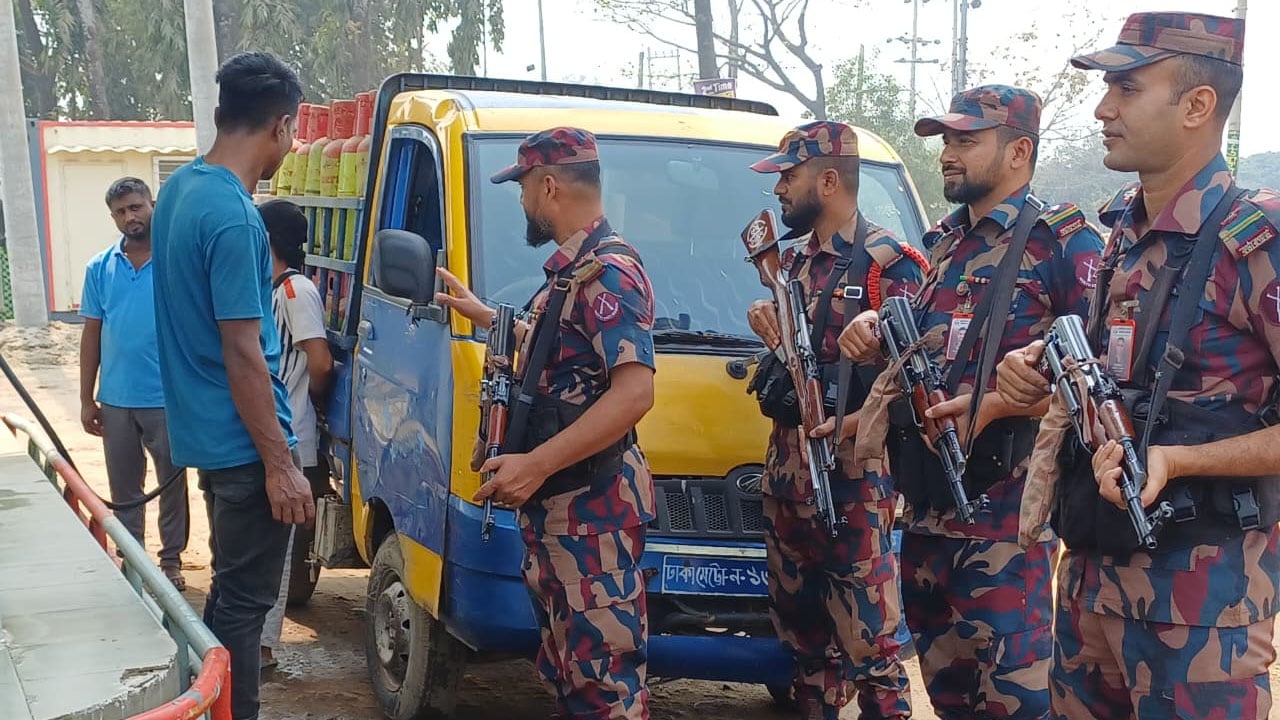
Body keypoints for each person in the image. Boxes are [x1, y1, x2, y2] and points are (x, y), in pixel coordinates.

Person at [995, 13, 1280, 719]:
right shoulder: (1123, 231)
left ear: (1196, 105)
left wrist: (1180, 462)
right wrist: (1040, 370)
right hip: (1091, 588)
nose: (1103, 109)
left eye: (1126, 88)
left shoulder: (1257, 242)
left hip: (1200, 615)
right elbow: (1114, 372)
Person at [840, 86, 1103, 719]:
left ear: (1019, 150)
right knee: (949, 696)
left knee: (1015, 700)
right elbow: (934, 353)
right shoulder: (942, 243)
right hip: (928, 513)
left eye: (965, 141)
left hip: (1006, 523)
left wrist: (1002, 404)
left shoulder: (1061, 243)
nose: (948, 155)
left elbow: (1097, 379)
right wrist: (876, 333)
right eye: (946, 142)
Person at [435, 127, 657, 720]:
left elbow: (634, 392)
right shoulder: (572, 272)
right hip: (563, 511)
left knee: (604, 684)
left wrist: (535, 464)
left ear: (550, 185)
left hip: (591, 512)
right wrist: (484, 314)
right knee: (570, 672)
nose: (523, 202)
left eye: (524, 188)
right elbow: (559, 346)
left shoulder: (610, 272)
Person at [745, 120, 926, 720]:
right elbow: (792, 362)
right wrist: (764, 323)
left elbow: (919, 380)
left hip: (853, 484)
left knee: (872, 650)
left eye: (788, 177)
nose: (779, 191)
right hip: (788, 479)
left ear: (828, 180)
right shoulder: (793, 265)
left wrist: (852, 422)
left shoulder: (890, 266)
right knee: (804, 646)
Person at [150, 51, 312, 720]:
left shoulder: (180, 192)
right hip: (248, 448)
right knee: (242, 612)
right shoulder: (234, 216)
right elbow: (243, 352)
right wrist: (281, 464)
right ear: (279, 125)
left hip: (212, 443)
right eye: (293, 129)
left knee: (226, 603)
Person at [80, 176, 189, 590]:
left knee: (171, 484)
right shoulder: (100, 267)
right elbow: (92, 335)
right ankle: (133, 560)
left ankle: (171, 561)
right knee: (124, 488)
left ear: (152, 205)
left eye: (136, 207)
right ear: (113, 217)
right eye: (121, 212)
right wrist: (87, 398)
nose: (131, 217)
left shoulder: (176, 261)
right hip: (117, 399)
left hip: (166, 398)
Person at [257, 199, 334, 671]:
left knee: (277, 553)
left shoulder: (294, 291)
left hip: (293, 432)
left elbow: (319, 362)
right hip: (280, 430)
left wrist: (311, 398)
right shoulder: (273, 288)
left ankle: (263, 647)